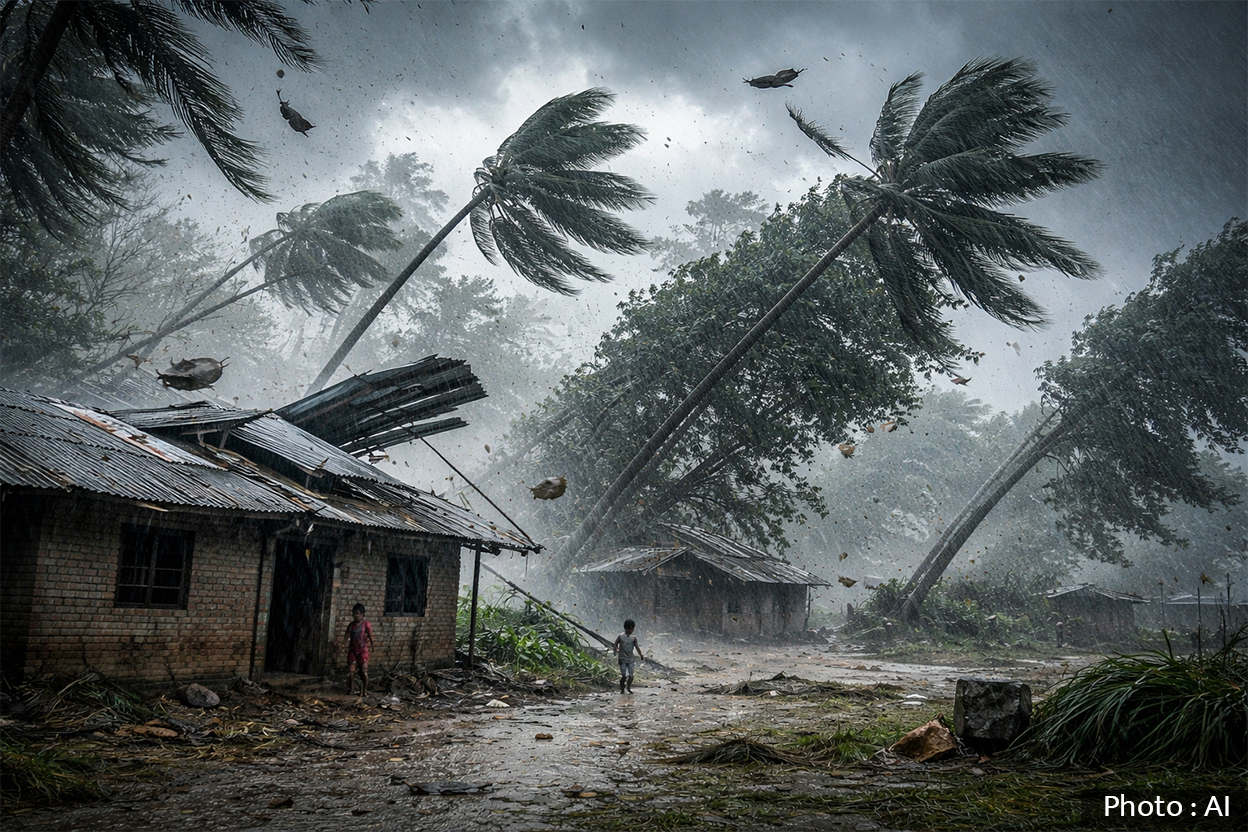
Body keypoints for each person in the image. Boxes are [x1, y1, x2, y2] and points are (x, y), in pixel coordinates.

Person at [345, 603, 375, 696]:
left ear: (362, 615)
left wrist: (372, 646)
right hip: (353, 651)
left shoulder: (366, 625)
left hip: (363, 651)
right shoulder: (351, 625)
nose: (355, 615)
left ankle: (364, 691)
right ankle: (351, 689)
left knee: (364, 672)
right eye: (354, 613)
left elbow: (370, 636)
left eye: (357, 613)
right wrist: (342, 644)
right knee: (351, 672)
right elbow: (347, 635)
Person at [612, 619, 644, 694]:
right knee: (624, 675)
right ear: (626, 628)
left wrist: (641, 654)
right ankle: (622, 688)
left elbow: (637, 647)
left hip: (630, 659)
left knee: (631, 676)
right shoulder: (621, 636)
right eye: (630, 629)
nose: (631, 630)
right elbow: (615, 644)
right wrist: (616, 650)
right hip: (622, 659)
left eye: (632, 629)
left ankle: (628, 688)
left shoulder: (633, 638)